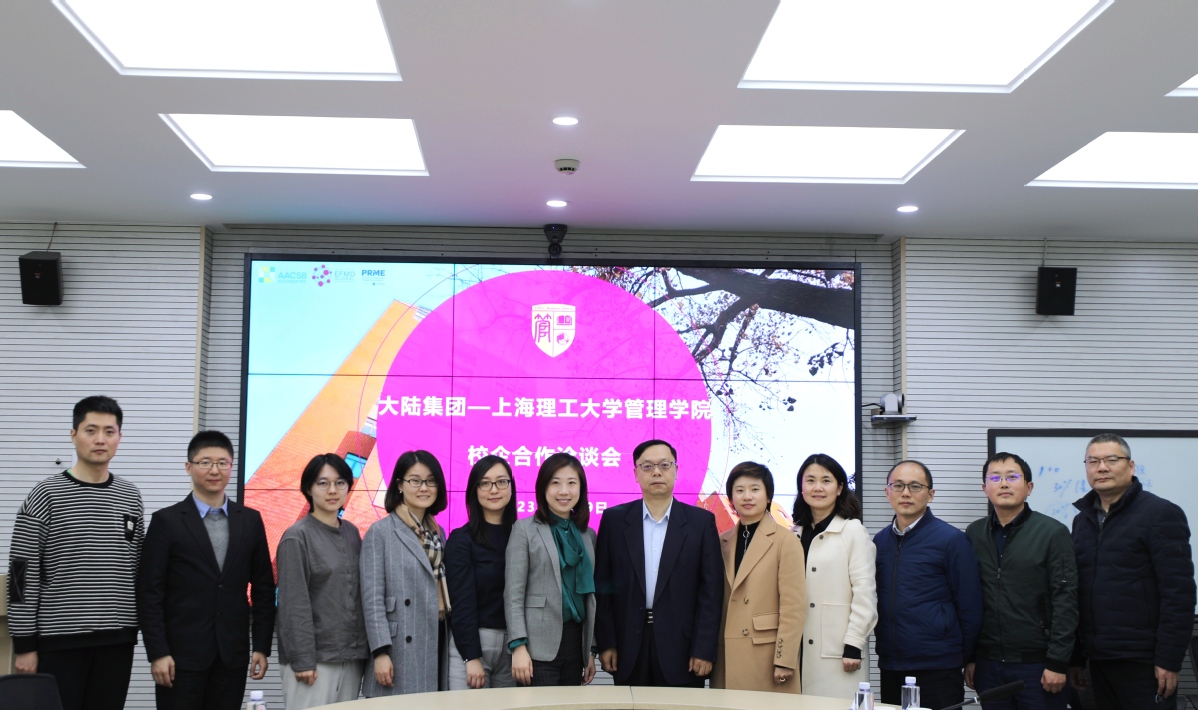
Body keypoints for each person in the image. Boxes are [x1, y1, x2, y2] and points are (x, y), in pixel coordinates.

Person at [6, 396, 143, 710]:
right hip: (58, 642)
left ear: (119, 437)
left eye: (109, 431)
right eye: (90, 430)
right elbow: (20, 576)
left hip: (117, 640)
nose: (100, 439)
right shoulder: (45, 495)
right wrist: (24, 645)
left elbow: (135, 567)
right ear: (73, 434)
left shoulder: (130, 497)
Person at [139, 430, 276, 710]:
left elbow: (263, 589)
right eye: (205, 462)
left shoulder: (250, 521)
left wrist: (261, 646)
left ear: (231, 466)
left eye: (222, 463)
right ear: (189, 467)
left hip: (231, 656)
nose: (214, 470)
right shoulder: (166, 521)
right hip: (179, 658)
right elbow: (149, 593)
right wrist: (158, 652)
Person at [1069, 433, 1195, 710]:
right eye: (1093, 461)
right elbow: (1078, 593)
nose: (1102, 467)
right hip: (1096, 661)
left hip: (1144, 662)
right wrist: (1076, 658)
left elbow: (1179, 594)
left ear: (1131, 465)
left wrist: (1169, 660)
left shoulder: (1160, 513)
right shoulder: (1082, 521)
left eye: (1111, 459)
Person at [594, 438, 723, 688]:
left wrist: (704, 648)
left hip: (684, 648)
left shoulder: (701, 523)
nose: (656, 472)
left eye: (664, 465)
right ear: (636, 473)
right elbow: (603, 588)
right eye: (647, 466)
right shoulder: (614, 521)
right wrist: (607, 642)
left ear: (676, 470)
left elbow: (711, 592)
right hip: (628, 645)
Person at [965, 452, 1078, 710]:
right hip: (988, 664)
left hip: (1038, 665)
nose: (1004, 484)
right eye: (995, 478)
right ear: (985, 488)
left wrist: (1058, 661)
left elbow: (1066, 600)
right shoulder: (974, 533)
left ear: (1029, 487)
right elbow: (969, 598)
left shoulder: (1052, 533)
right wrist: (971, 657)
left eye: (1012, 477)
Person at [874, 460, 982, 709]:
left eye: (915, 486)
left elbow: (970, 606)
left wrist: (963, 656)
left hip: (938, 667)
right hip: (891, 665)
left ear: (930, 494)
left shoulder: (951, 540)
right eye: (898, 485)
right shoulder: (879, 542)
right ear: (887, 492)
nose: (905, 493)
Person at [276, 453, 370, 709]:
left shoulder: (352, 532)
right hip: (314, 662)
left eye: (340, 483)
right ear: (308, 488)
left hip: (351, 658)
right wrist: (303, 659)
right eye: (323, 483)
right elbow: (293, 605)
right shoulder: (297, 537)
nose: (333, 490)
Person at [360, 450, 451, 697]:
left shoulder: (439, 533)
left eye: (431, 481)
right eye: (415, 480)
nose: (424, 488)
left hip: (435, 636)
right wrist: (380, 652)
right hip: (397, 646)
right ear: (399, 485)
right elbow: (372, 599)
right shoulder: (381, 531)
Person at [711, 462, 805, 693]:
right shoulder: (722, 541)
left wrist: (785, 659)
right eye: (739, 490)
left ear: (768, 495)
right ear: (731, 498)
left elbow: (793, 605)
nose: (747, 496)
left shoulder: (786, 540)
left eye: (755, 489)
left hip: (767, 653)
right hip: (728, 651)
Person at [505, 453, 598, 686]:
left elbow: (591, 598)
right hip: (537, 646)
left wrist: (590, 650)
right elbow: (514, 594)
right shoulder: (524, 529)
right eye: (555, 483)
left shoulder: (588, 535)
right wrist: (518, 645)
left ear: (581, 489)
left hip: (576, 644)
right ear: (543, 488)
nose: (564, 491)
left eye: (571, 483)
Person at [791, 453, 877, 699]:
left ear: (839, 488)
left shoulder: (853, 531)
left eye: (826, 481)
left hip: (839, 650)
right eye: (810, 481)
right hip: (797, 649)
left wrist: (854, 643)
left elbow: (865, 592)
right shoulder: (794, 533)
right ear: (801, 487)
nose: (817, 487)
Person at [446, 455, 518, 689]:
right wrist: (471, 656)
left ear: (511, 487)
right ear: (474, 490)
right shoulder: (461, 539)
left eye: (501, 482)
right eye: (485, 483)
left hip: (513, 648)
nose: (494, 490)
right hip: (474, 644)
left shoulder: (522, 536)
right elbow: (462, 602)